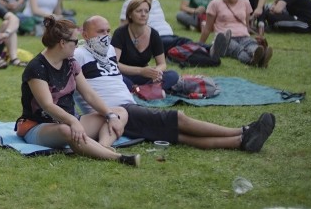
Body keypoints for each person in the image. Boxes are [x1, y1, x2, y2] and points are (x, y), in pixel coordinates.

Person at [74, 16, 276, 152]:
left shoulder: (109, 51)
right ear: (85, 34)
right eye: (100, 32)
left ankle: (240, 142)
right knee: (178, 118)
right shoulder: (77, 56)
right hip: (114, 112)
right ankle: (243, 131)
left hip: (129, 107)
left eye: (108, 31)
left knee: (179, 135)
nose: (106, 36)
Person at [14, 16, 137, 165]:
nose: (78, 45)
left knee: (120, 113)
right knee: (66, 130)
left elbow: (89, 94)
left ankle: (103, 148)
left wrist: (110, 115)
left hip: (72, 122)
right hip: (39, 126)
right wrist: (73, 121)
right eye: (75, 41)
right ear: (62, 43)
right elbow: (47, 105)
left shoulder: (71, 63)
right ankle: (118, 158)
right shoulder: (37, 68)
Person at [112, 0, 180, 92]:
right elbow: (114, 64)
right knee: (118, 79)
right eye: (139, 11)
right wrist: (140, 71)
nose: (143, 14)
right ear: (130, 14)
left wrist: (156, 72)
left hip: (145, 76)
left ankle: (140, 91)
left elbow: (162, 64)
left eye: (146, 11)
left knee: (173, 75)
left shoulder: (154, 34)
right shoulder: (120, 33)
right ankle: (148, 90)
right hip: (125, 75)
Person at [200, 0, 271, 67]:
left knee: (252, 45)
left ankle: (259, 56)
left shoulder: (245, 2)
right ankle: (253, 60)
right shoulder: (215, 3)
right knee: (239, 50)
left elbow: (247, 25)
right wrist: (200, 45)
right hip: (226, 37)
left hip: (243, 35)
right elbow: (207, 28)